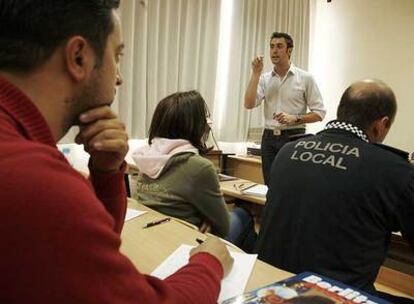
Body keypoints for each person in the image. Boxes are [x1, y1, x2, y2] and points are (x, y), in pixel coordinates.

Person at [0, 1, 234, 303]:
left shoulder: (21, 147)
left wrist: (107, 173)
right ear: (79, 57)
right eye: (117, 55)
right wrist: (209, 262)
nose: (120, 77)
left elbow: (93, 249)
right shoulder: (38, 181)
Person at [256, 79, 414, 303]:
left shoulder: (286, 152)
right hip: (330, 296)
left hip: (268, 290)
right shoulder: (393, 170)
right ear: (382, 124)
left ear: (341, 111)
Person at [132, 91, 256, 249]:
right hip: (185, 243)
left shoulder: (148, 157)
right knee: (243, 215)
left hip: (153, 237)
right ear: (195, 125)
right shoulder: (199, 167)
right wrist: (210, 220)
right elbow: (223, 227)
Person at [244, 32, 326, 185]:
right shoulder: (264, 79)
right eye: (272, 47)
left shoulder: (305, 78)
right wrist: (255, 73)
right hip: (268, 137)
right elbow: (248, 104)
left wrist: (295, 118)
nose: (274, 51)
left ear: (289, 50)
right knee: (270, 184)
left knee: (291, 184)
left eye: (279, 46)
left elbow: (320, 113)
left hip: (294, 136)